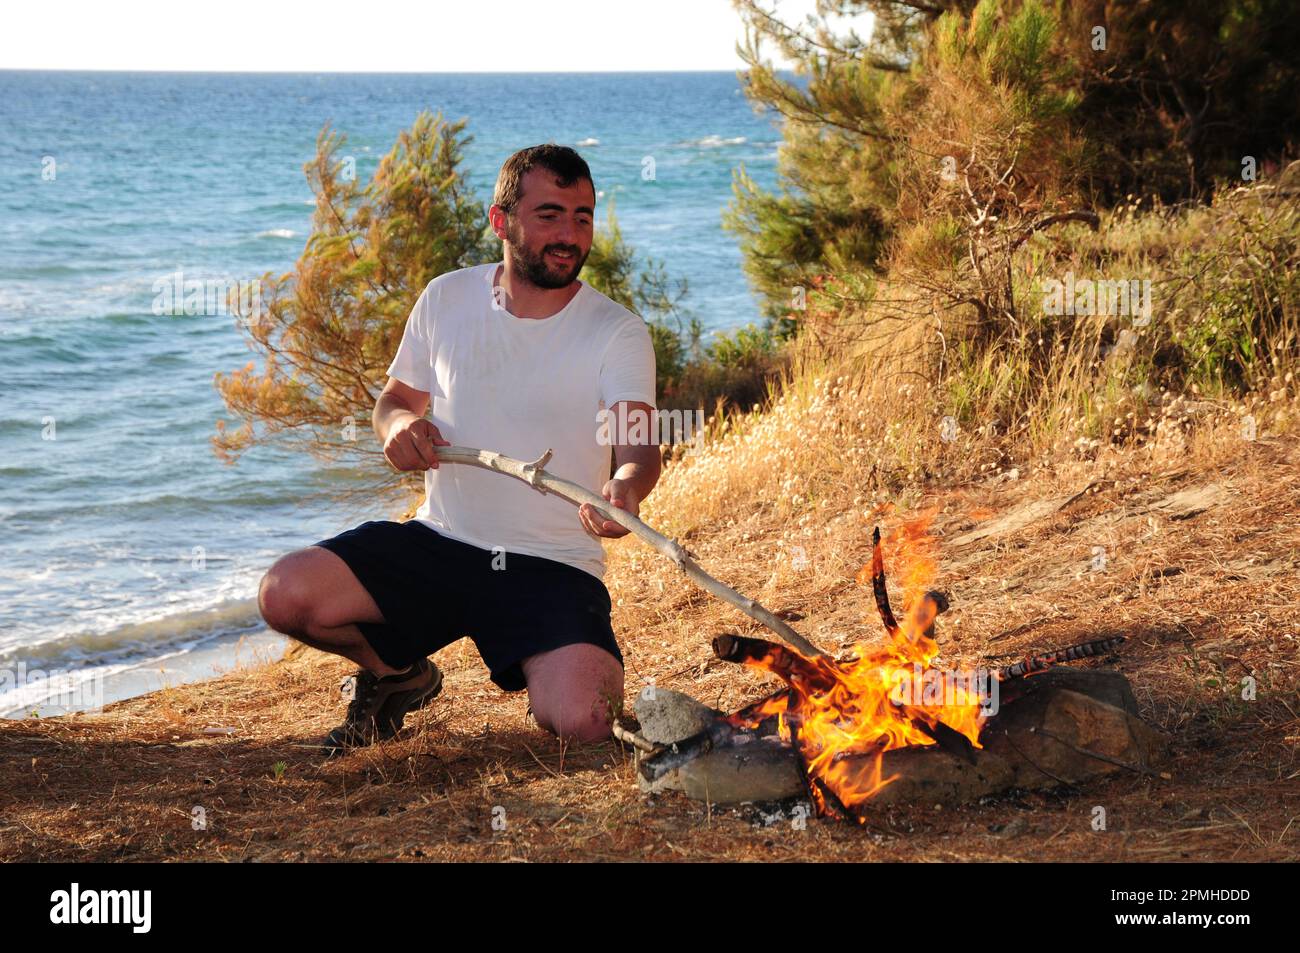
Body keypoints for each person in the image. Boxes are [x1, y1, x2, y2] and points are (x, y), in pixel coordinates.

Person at [257, 144, 660, 755]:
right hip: (439, 542)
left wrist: (626, 487)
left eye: (583, 216)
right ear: (501, 222)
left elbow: (638, 444)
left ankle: (543, 666)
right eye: (549, 214)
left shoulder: (617, 331)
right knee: (285, 593)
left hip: (551, 565)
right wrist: (395, 428)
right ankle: (399, 678)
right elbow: (395, 401)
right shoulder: (446, 298)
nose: (570, 234)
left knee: (587, 724)